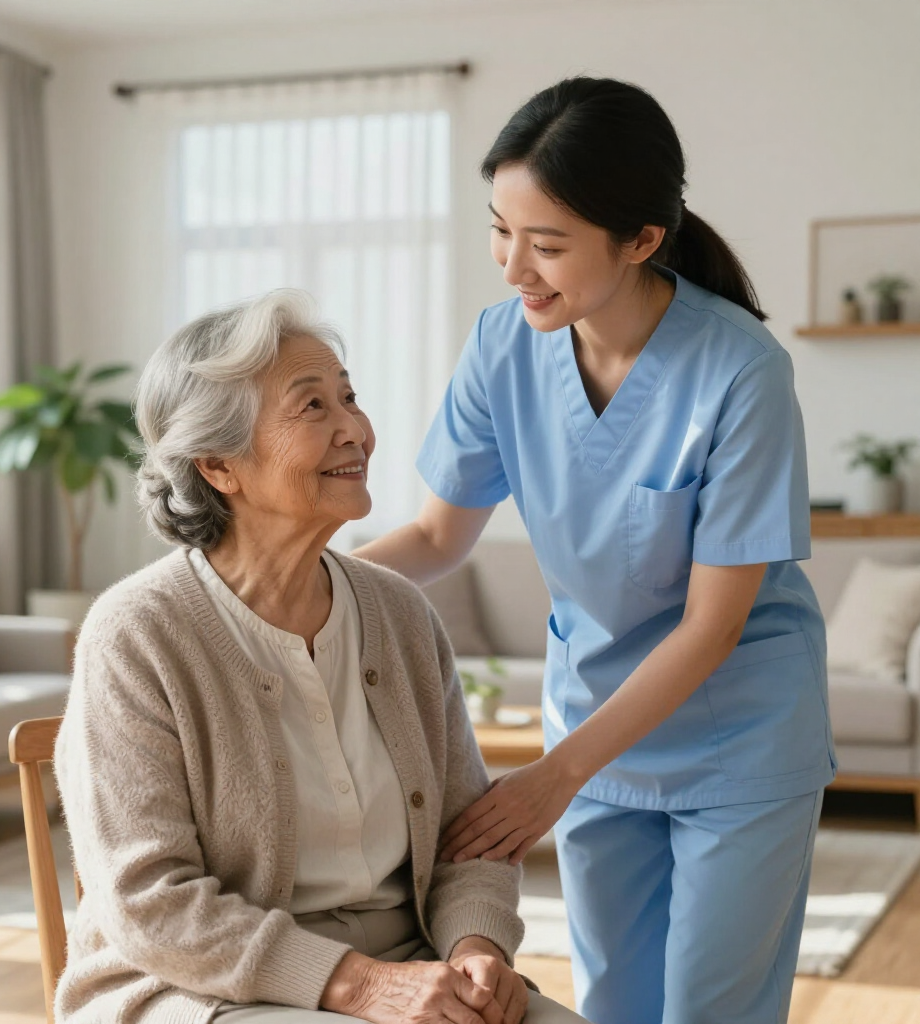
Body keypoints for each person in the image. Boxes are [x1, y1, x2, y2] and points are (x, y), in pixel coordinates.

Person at [355, 77, 835, 1024]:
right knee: (615, 1004)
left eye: (546, 244)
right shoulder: (502, 347)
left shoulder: (741, 371)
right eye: (500, 230)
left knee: (711, 1010)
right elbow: (437, 536)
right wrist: (276, 583)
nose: (512, 267)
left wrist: (554, 775)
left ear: (642, 240)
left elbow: (709, 629)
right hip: (596, 726)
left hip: (736, 737)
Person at [53, 290, 585, 1024]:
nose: (356, 431)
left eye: (350, 398)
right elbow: (147, 903)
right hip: (198, 984)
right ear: (218, 466)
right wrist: (362, 986)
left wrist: (475, 950)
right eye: (312, 408)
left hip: (411, 960)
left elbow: (469, 839)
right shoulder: (137, 633)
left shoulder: (400, 612)